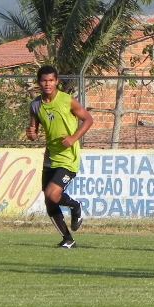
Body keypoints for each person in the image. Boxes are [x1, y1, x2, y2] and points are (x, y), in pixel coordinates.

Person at [26, 65, 93, 249]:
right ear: (39, 82)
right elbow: (33, 132)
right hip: (50, 158)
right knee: (49, 200)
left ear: (56, 82)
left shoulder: (67, 100)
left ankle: (75, 206)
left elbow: (88, 119)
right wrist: (31, 134)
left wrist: (73, 138)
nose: (47, 84)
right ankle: (67, 239)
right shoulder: (35, 105)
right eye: (43, 80)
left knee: (52, 194)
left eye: (51, 80)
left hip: (68, 158)